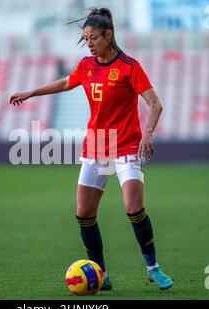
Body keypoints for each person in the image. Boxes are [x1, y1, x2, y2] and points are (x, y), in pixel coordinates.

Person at [9, 8, 173, 291]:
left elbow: (155, 104)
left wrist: (148, 133)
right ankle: (101, 273)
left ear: (109, 35)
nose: (89, 43)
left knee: (133, 207)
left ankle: (153, 268)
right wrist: (31, 92)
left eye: (93, 37)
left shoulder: (129, 67)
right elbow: (65, 83)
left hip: (127, 145)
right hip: (97, 145)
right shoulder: (86, 66)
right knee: (84, 214)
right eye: (85, 39)